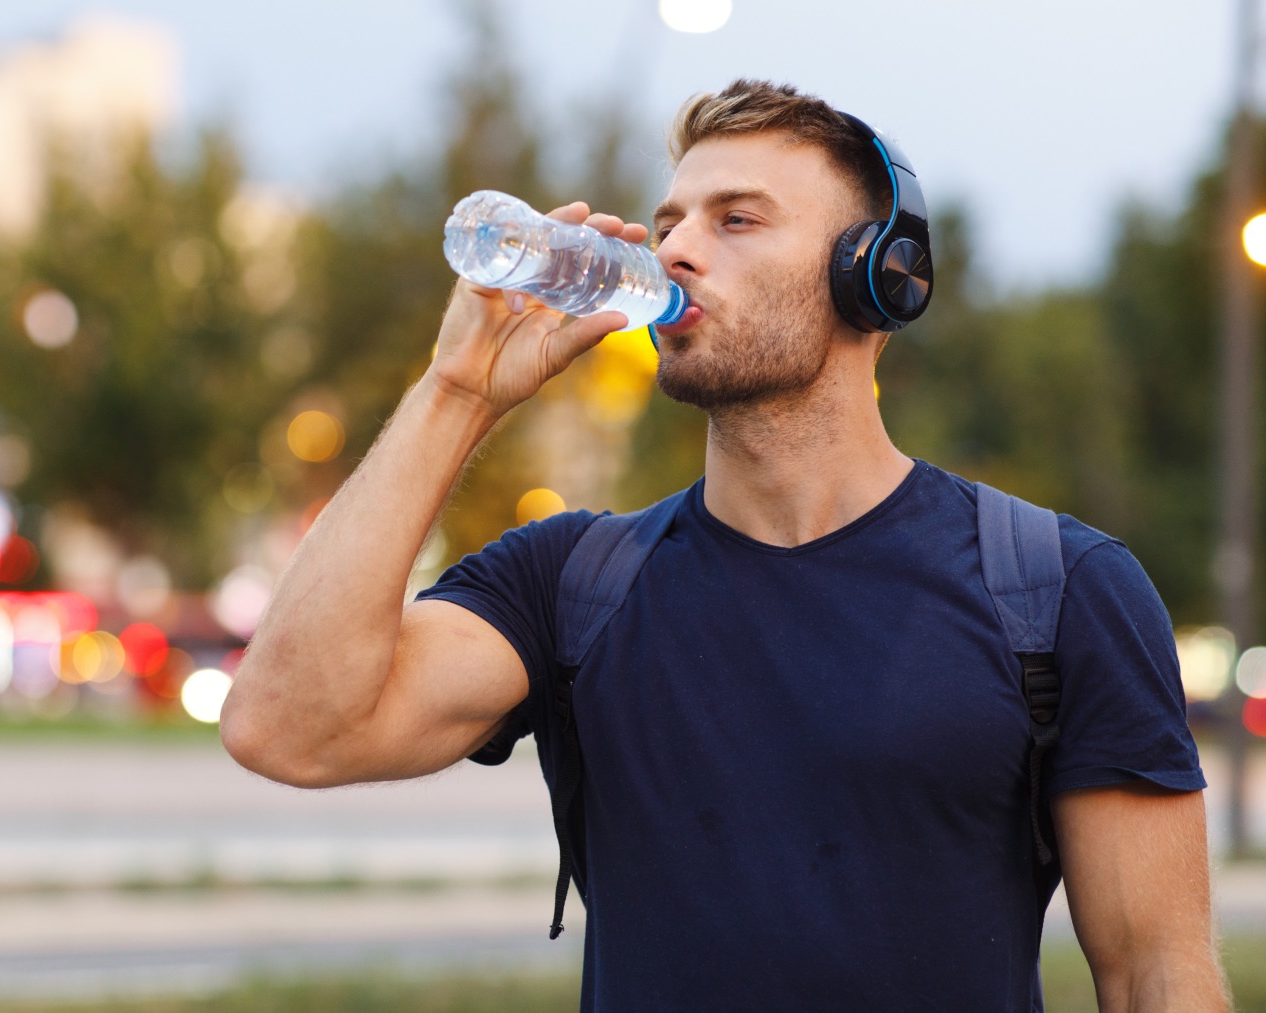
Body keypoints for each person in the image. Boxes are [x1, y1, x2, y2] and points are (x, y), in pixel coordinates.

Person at [220, 79, 1229, 1011]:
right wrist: (457, 392)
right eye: (668, 224)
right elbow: (288, 728)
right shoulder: (569, 583)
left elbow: (1156, 973)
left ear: (877, 277)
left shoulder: (1056, 587)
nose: (676, 251)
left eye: (736, 219)